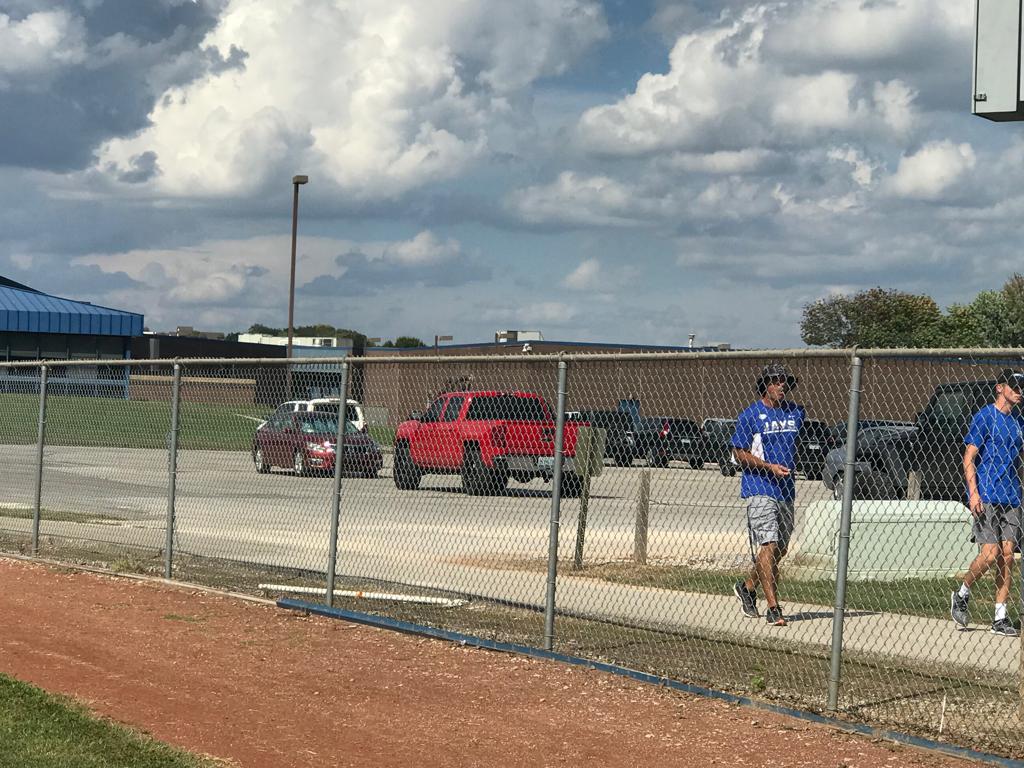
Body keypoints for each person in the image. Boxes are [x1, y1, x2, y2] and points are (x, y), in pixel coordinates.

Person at [950, 369, 1024, 636]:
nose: (1019, 392)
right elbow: (968, 457)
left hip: (1012, 496)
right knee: (990, 554)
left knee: (1008, 556)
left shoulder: (1019, 423)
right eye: (1014, 386)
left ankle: (1000, 618)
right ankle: (962, 592)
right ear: (1000, 388)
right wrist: (973, 493)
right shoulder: (985, 417)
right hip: (988, 495)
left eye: (1022, 388)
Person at [731, 363, 805, 627]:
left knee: (780, 548)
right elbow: (739, 453)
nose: (781, 385)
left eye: (784, 380)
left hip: (785, 488)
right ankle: (774, 607)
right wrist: (768, 466)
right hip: (759, 487)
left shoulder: (796, 413)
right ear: (765, 385)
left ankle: (748, 587)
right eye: (775, 380)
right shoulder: (750, 415)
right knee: (768, 544)